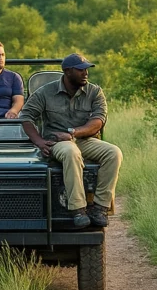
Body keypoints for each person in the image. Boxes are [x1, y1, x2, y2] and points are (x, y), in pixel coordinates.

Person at [20, 53, 123, 229]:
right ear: (68, 71)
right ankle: (78, 209)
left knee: (114, 153)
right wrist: (39, 142)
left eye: (87, 69)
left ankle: (100, 207)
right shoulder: (46, 92)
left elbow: (98, 121)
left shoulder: (94, 92)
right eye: (81, 70)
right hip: (57, 142)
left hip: (84, 139)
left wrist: (73, 133)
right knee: (71, 151)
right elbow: (26, 117)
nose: (86, 73)